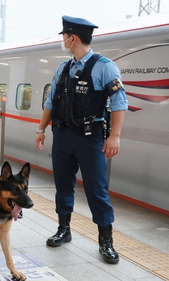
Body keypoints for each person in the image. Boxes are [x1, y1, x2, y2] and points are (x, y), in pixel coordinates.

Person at [35, 16, 128, 264]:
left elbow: (120, 102)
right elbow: (50, 101)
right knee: (63, 185)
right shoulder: (63, 68)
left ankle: (105, 242)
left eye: (64, 36)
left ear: (72, 38)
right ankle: (64, 230)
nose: (63, 40)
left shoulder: (105, 66)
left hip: (90, 139)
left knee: (96, 190)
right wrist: (41, 129)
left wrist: (114, 136)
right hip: (63, 137)